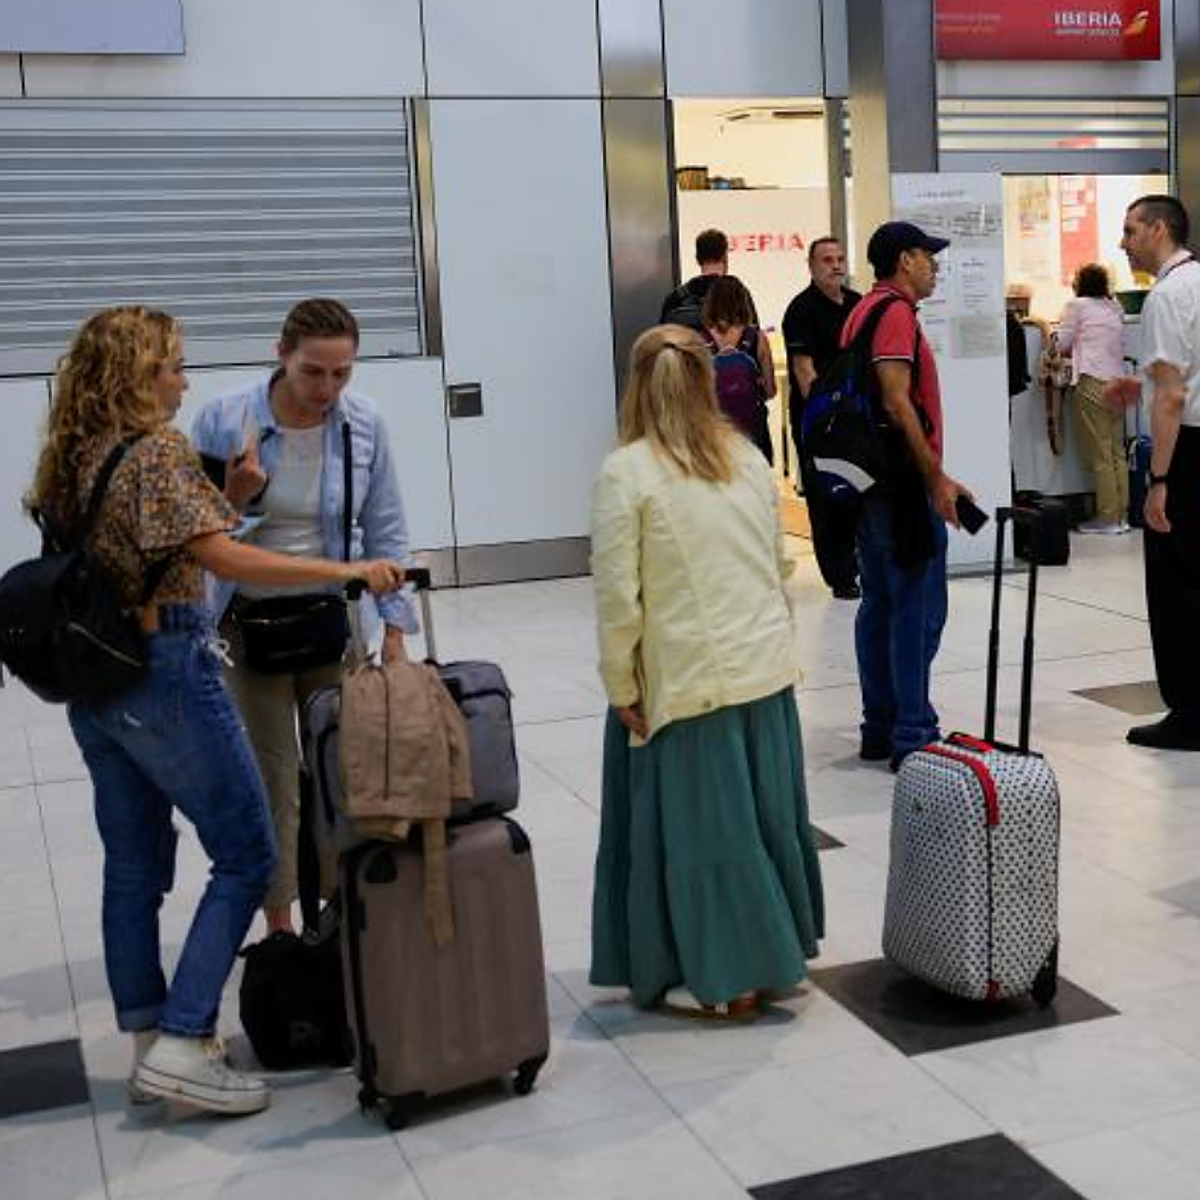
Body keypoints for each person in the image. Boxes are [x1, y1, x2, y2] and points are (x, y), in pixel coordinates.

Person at [28, 306, 404, 1115]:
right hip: (166, 669)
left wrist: (229, 499)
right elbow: (217, 557)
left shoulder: (71, 456)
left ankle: (146, 1036)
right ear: (138, 375)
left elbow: (160, 541)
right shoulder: (157, 448)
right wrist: (345, 571)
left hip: (97, 685)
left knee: (132, 866)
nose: (185, 379)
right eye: (171, 366)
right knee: (244, 848)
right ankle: (185, 1040)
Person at [589, 325, 824, 1021]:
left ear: (635, 385)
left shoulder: (625, 472)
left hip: (689, 683)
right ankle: (774, 954)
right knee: (763, 821)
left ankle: (729, 976)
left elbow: (617, 600)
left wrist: (621, 688)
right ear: (708, 381)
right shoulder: (747, 458)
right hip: (765, 672)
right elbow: (780, 565)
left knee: (706, 837)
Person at [192, 298, 419, 934]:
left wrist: (395, 627)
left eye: (341, 373)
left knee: (341, 771)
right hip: (245, 626)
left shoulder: (363, 423)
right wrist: (234, 498)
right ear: (281, 356)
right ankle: (280, 928)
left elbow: (385, 527)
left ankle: (340, 912)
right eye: (312, 372)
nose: (327, 388)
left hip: (331, 619)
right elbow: (195, 537)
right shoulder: (221, 420)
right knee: (274, 781)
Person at [843, 221, 973, 772]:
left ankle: (881, 722)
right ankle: (913, 731)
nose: (935, 265)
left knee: (879, 605)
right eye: (927, 255)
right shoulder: (894, 313)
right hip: (898, 487)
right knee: (917, 607)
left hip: (869, 485)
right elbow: (898, 402)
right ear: (903, 260)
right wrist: (936, 478)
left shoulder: (861, 311)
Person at [1108, 195, 1200, 750]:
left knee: (1177, 585)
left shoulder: (1167, 295)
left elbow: (1173, 396)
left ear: (1159, 229)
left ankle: (1190, 711)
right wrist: (1139, 386)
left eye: (1131, 230)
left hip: (1187, 452)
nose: (1124, 242)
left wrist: (1158, 481)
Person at [782, 236, 863, 599]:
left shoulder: (858, 305)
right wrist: (824, 421)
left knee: (858, 492)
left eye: (840, 258)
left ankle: (860, 563)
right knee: (826, 498)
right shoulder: (801, 310)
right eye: (827, 259)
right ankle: (839, 576)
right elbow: (803, 369)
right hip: (820, 421)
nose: (835, 265)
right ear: (811, 266)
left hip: (856, 418)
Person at [1056, 263, 1128, 533]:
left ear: (1081, 283)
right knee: (1116, 452)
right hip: (1118, 382)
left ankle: (1107, 519)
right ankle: (1122, 515)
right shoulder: (1114, 307)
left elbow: (1062, 343)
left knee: (1099, 454)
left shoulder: (1077, 306)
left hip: (1093, 381)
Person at [700, 275, 777, 462]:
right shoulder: (757, 338)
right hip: (751, 432)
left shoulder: (699, 340)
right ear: (744, 301)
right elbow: (770, 390)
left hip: (715, 431)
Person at [659, 228, 759, 330]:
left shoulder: (676, 298)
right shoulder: (739, 295)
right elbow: (754, 338)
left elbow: (662, 340)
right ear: (724, 257)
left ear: (698, 259)